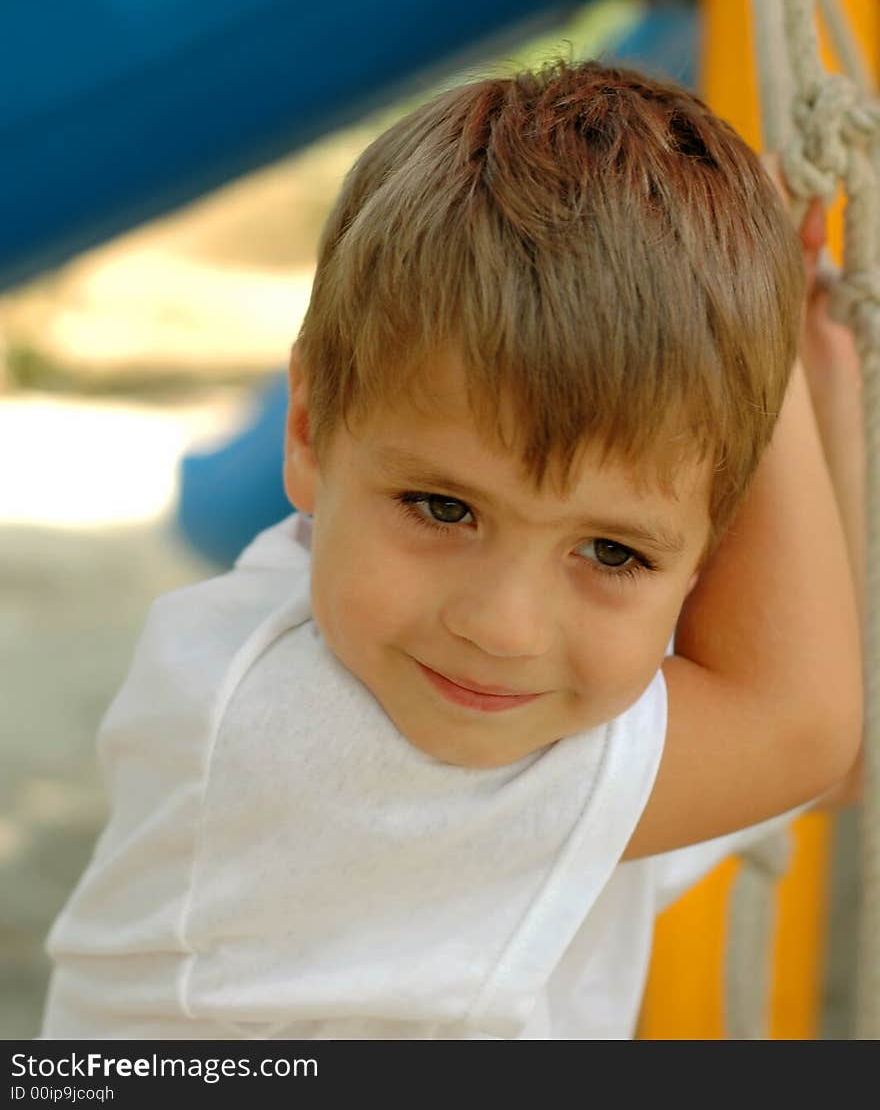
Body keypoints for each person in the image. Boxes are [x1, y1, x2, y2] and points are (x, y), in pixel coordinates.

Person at [40, 60, 863, 1040]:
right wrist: (765, 382)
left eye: (609, 552)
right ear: (306, 431)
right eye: (441, 506)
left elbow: (826, 758)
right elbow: (803, 728)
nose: (501, 626)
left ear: (709, 556)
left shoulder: (496, 718)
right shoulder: (317, 734)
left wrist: (802, 375)